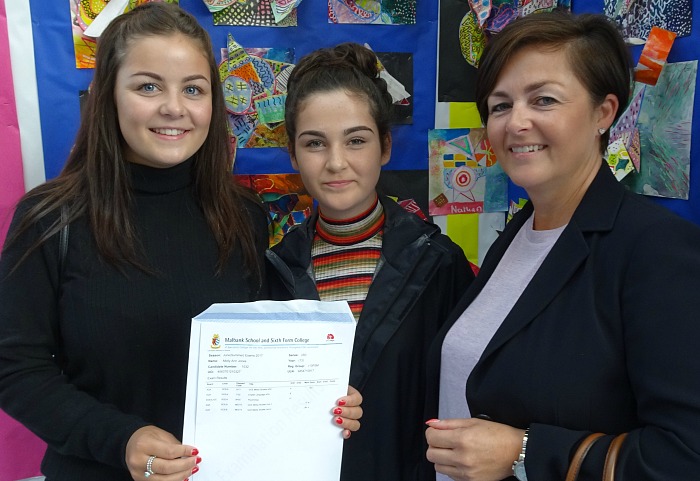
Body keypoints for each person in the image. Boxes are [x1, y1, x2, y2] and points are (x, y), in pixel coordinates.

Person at [0, 4, 360, 481]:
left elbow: (265, 355)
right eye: (148, 86)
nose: (174, 107)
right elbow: (14, 368)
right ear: (109, 94)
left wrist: (323, 398)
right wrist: (121, 440)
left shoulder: (243, 216)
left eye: (193, 89)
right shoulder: (51, 218)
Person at [424, 10, 700, 481]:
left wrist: (525, 451)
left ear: (603, 112)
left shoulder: (658, 250)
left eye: (544, 100)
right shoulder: (518, 235)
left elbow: (685, 455)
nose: (517, 123)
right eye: (500, 105)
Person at [266, 42, 474, 481]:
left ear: (384, 147)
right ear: (292, 155)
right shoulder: (271, 273)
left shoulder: (439, 265)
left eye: (356, 140)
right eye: (315, 143)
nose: (336, 162)